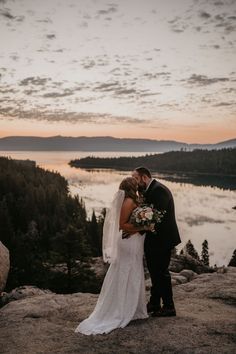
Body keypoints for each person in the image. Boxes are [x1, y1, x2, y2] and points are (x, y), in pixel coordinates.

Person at [75, 177, 152, 335]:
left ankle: (133, 308)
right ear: (131, 186)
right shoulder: (129, 201)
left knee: (133, 270)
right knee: (126, 270)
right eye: (135, 183)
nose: (138, 184)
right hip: (128, 241)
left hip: (133, 241)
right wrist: (143, 226)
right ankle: (121, 310)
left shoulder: (131, 200)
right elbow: (122, 225)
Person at [132, 167, 181, 317]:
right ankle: (154, 303)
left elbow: (155, 218)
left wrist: (135, 229)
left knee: (161, 273)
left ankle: (168, 307)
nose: (134, 182)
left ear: (144, 177)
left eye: (136, 178)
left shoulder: (158, 190)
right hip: (155, 240)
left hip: (162, 240)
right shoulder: (150, 189)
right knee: (155, 273)